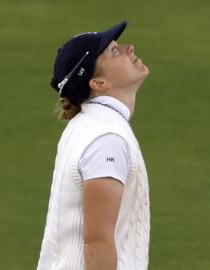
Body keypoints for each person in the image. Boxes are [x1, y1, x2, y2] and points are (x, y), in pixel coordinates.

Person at [37, 21, 151, 270]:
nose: (129, 48)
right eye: (114, 51)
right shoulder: (107, 138)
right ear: (98, 83)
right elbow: (97, 241)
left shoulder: (88, 125)